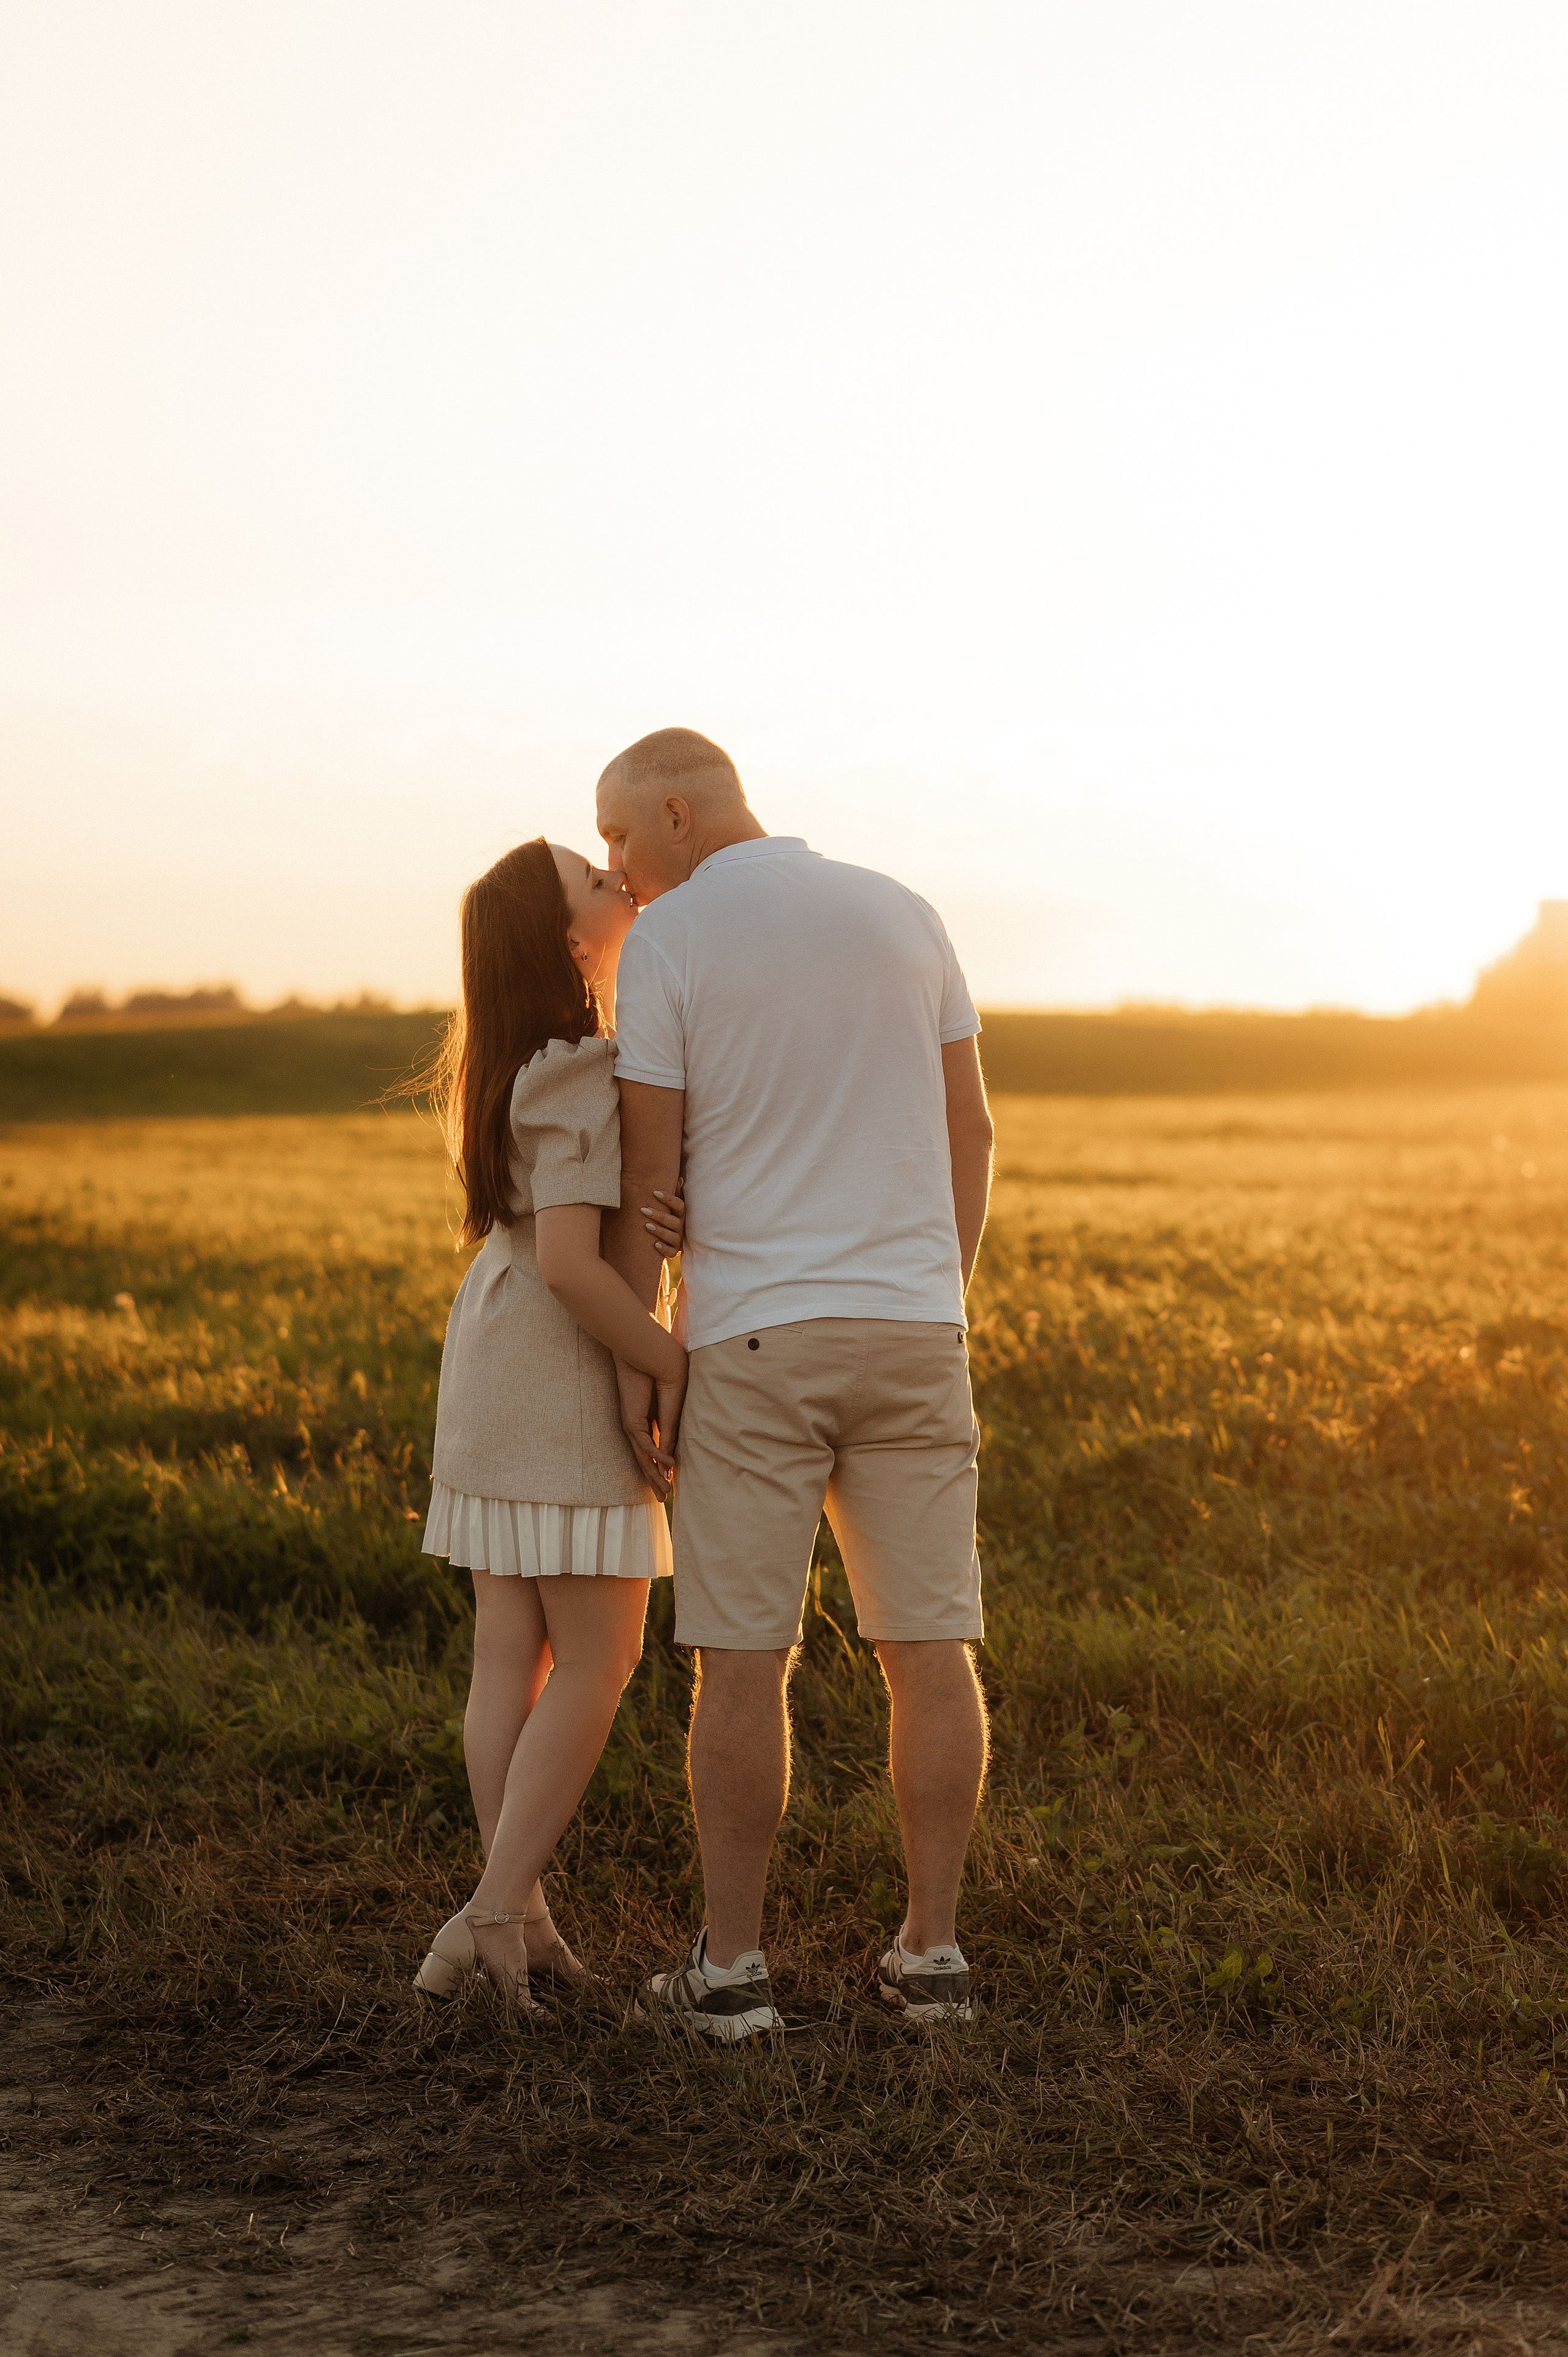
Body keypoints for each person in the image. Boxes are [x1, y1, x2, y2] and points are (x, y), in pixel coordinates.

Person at [597, 728, 995, 2040]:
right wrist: (939, 1292)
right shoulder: (903, 910)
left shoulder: (669, 940)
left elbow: (651, 1186)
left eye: (617, 840)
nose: (618, 871)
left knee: (741, 1663)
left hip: (756, 1341)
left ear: (673, 810)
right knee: (930, 1652)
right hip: (910, 1330)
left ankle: (733, 1974)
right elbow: (971, 1130)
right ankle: (931, 1953)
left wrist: (641, 1359)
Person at [412, 837, 688, 2012]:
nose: (617, 886)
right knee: (600, 1658)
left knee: (507, 1660)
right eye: (594, 879)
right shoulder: (577, 1061)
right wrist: (679, 1364)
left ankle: (520, 1920)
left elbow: (554, 1242)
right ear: (568, 938)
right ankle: (489, 1916)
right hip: (558, 1369)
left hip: (494, 1355)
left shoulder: (509, 1058)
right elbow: (579, 1270)